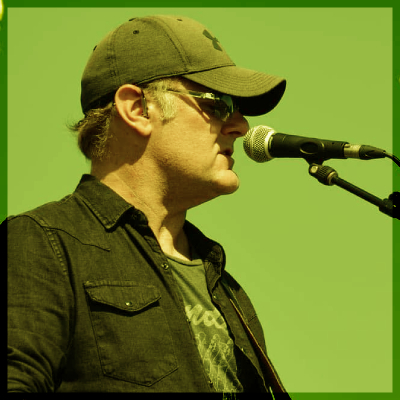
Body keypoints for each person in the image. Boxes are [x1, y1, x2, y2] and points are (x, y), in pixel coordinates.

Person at [6, 15, 289, 395]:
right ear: (138, 109)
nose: (240, 126)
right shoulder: (42, 244)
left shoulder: (225, 287)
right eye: (219, 104)